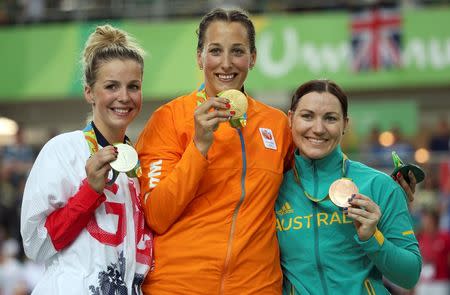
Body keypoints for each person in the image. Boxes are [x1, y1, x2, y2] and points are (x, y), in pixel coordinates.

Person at [136, 8, 418, 294]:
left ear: (253, 58)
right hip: (179, 287)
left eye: (237, 51)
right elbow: (157, 215)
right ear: (199, 57)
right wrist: (199, 147)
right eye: (215, 51)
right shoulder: (168, 119)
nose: (226, 63)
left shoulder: (276, 124)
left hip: (256, 287)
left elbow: (316, 167)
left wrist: (387, 191)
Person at [20, 24, 152, 294]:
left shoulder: (140, 165)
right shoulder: (63, 151)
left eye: (133, 86)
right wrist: (89, 191)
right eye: (111, 86)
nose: (124, 97)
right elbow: (36, 245)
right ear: (89, 92)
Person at [275, 79, 422, 295]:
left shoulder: (378, 185)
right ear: (290, 119)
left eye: (330, 118)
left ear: (345, 124)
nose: (318, 129)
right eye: (307, 116)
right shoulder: (273, 188)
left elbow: (409, 275)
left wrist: (372, 237)